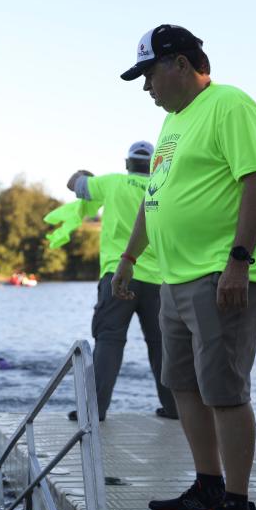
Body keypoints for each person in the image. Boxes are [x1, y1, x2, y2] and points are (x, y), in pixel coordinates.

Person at [113, 24, 256, 510]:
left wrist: (238, 262)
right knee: (183, 384)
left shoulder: (230, 104)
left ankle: (239, 507)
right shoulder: (173, 125)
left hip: (220, 274)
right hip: (172, 277)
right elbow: (154, 199)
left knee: (224, 390)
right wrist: (129, 256)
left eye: (149, 74)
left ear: (180, 64)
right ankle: (207, 487)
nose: (145, 87)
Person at [64, 141, 178, 422]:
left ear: (127, 164)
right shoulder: (165, 188)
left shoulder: (113, 183)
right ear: (154, 166)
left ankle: (95, 411)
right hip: (158, 280)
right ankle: (175, 409)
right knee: (161, 345)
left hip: (118, 275)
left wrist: (83, 174)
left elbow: (73, 183)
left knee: (109, 342)